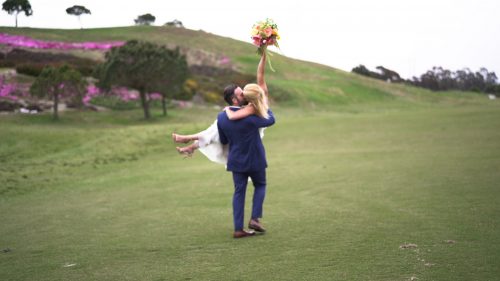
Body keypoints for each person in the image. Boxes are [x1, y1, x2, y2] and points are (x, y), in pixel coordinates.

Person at [172, 51, 269, 164]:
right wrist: (264, 56)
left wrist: (227, 110)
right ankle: (191, 146)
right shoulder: (257, 100)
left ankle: (189, 140)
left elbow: (233, 116)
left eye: (244, 94)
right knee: (215, 129)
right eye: (242, 93)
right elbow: (260, 75)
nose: (244, 94)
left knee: (216, 129)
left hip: (250, 134)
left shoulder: (252, 108)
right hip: (237, 136)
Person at [217, 80, 275, 238]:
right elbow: (271, 120)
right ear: (235, 100)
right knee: (261, 185)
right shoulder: (251, 116)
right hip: (256, 158)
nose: (244, 94)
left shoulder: (222, 117)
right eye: (241, 93)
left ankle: (238, 229)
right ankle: (255, 219)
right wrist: (262, 102)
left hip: (236, 161)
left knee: (238, 192)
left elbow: (223, 140)